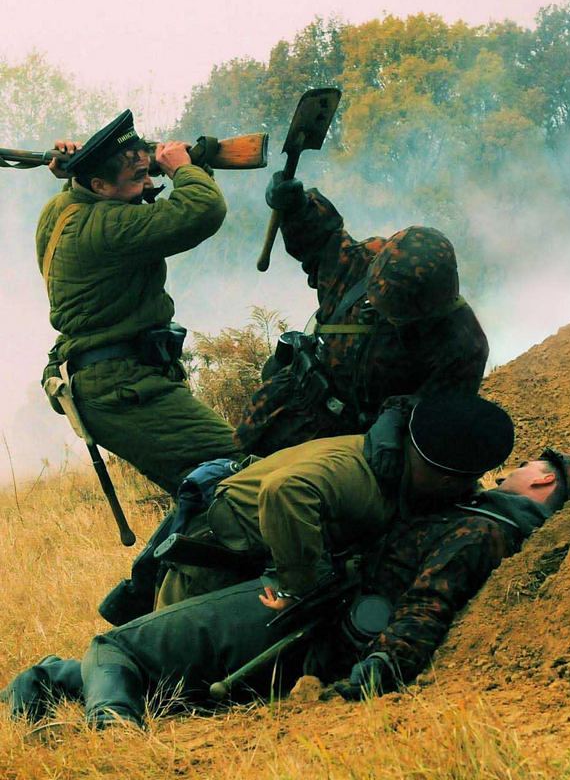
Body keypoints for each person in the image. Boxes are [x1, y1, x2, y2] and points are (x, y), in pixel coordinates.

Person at [2, 448, 570, 727]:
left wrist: (376, 672)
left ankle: (112, 737)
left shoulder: (483, 528)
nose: (510, 468)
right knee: (161, 680)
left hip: (309, 620)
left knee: (115, 648)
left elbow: (428, 603)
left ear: (542, 480)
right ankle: (39, 690)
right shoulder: (490, 523)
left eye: (525, 466)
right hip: (315, 620)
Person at [37, 110, 243, 495]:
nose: (148, 183)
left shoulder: (63, 209)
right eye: (138, 177)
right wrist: (183, 168)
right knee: (241, 472)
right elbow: (202, 209)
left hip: (109, 380)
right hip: (123, 386)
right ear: (99, 185)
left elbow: (86, 196)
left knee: (207, 492)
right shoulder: (109, 226)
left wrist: (81, 167)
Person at [153, 394, 514, 609]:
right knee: (167, 676)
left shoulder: (389, 461)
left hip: (253, 555)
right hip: (214, 562)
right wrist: (300, 590)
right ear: (446, 479)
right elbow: (284, 489)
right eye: (464, 481)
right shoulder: (357, 474)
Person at [235, 173, 490, 457]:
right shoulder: (365, 261)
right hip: (285, 406)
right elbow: (322, 243)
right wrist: (297, 207)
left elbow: (440, 415)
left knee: (275, 484)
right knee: (224, 469)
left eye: (394, 310)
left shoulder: (463, 344)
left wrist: (397, 417)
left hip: (343, 445)